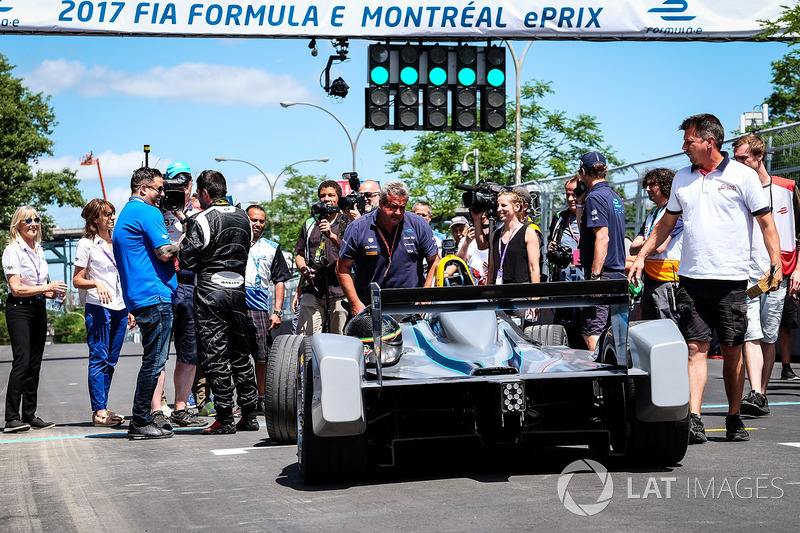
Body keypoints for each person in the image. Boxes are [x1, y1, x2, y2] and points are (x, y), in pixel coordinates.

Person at [629, 113, 782, 444]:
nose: (684, 147)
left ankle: (733, 417)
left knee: (732, 351)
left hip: (731, 280)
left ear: (709, 142)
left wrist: (775, 263)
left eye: (689, 141)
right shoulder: (683, 178)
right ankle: (694, 418)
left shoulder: (743, 176)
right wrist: (641, 256)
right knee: (694, 348)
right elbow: (666, 224)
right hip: (691, 280)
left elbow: (768, 223)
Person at [179, 170, 260, 434]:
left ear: (204, 193)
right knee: (240, 354)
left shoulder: (201, 218)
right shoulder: (244, 218)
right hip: (238, 290)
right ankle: (249, 415)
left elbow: (188, 261)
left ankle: (224, 418)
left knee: (215, 355)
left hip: (210, 291)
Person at [732, 134, 800, 416]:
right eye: (735, 158)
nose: (737, 163)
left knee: (769, 335)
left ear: (759, 157)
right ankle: (755, 392)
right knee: (751, 333)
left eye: (743, 158)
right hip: (747, 273)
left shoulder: (787, 187)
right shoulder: (734, 188)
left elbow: (798, 233)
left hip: (776, 276)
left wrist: (797, 268)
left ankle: (761, 391)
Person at [113, 167, 179, 440]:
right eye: (159, 188)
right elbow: (164, 252)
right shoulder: (148, 212)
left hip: (140, 297)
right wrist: (188, 240)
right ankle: (140, 420)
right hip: (155, 295)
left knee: (153, 360)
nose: (163, 194)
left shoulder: (126, 213)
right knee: (155, 361)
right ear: (142, 189)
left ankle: (141, 419)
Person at [3, 206, 66, 433]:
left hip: (38, 306)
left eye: (36, 219)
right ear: (18, 224)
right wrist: (46, 287)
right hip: (19, 309)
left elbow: (36, 286)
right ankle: (11, 417)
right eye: (28, 220)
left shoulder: (38, 249)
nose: (33, 223)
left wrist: (52, 292)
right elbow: (17, 288)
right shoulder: (12, 250)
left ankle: (29, 414)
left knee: (35, 363)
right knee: (22, 361)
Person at [337, 181, 439, 315]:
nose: (398, 212)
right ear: (381, 203)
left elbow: (435, 260)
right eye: (393, 207)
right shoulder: (358, 227)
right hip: (370, 307)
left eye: (402, 207)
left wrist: (425, 297)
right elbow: (342, 268)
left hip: (411, 307)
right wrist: (355, 303)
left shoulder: (418, 224)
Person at [157, 161, 208, 428]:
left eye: (185, 183)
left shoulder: (199, 214)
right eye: (174, 183)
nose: (180, 189)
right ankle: (156, 407)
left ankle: (181, 407)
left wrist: (185, 219)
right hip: (163, 284)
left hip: (190, 286)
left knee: (189, 351)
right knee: (158, 352)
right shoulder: (155, 210)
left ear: (191, 186)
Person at [72, 199, 129, 427]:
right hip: (98, 306)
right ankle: (99, 411)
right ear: (95, 219)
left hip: (120, 307)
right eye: (107, 214)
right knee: (98, 358)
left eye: (113, 213)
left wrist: (130, 307)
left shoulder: (117, 242)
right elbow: (77, 280)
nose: (112, 217)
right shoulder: (86, 244)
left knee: (111, 361)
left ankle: (102, 407)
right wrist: (96, 284)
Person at [575, 151, 627, 351]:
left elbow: (602, 238)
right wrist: (580, 202)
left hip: (602, 274)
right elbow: (585, 230)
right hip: (616, 273)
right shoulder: (614, 197)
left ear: (582, 172)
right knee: (617, 334)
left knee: (592, 330)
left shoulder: (595, 197)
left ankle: (599, 379)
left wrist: (594, 277)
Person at [245, 204, 291, 414]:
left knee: (262, 356)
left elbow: (280, 280)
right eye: (254, 220)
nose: (258, 224)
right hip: (234, 306)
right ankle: (244, 398)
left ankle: (261, 398)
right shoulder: (235, 243)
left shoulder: (271, 247)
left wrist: (278, 310)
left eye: (261, 221)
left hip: (259, 309)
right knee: (237, 355)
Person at [294, 181, 349, 335]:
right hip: (314, 289)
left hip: (340, 290)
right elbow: (299, 254)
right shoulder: (310, 224)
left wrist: (331, 236)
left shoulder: (347, 222)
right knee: (306, 339)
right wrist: (303, 269)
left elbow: (350, 253)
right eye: (322, 196)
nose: (326, 199)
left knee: (340, 338)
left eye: (331, 195)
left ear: (338, 198)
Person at [628, 168, 683, 322]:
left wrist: (646, 245)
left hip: (668, 281)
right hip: (650, 279)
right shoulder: (652, 216)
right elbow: (633, 248)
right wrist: (650, 244)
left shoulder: (676, 214)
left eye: (652, 185)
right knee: (650, 326)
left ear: (665, 185)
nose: (647, 189)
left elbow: (659, 247)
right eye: (646, 184)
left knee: (669, 326)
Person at [470, 190, 540, 286]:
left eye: (503, 205)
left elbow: (534, 268)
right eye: (498, 205)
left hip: (520, 294)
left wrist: (534, 297)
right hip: (499, 293)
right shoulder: (495, 235)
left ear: (516, 207)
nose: (499, 209)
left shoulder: (528, 232)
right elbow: (491, 270)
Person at [546, 176, 583, 282]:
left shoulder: (592, 216)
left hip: (586, 276)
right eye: (568, 195)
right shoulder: (560, 217)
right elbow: (551, 239)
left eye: (574, 195)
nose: (570, 199)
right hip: (562, 276)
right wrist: (551, 247)